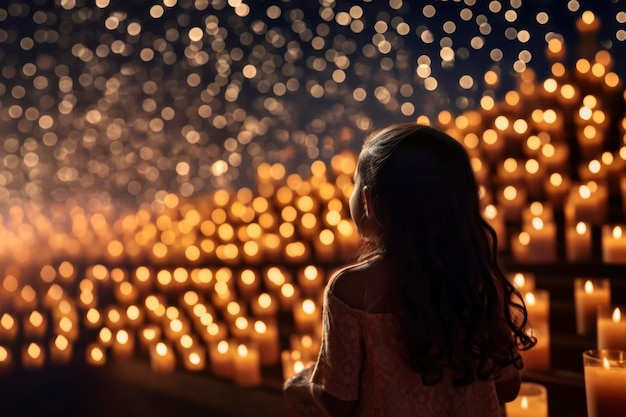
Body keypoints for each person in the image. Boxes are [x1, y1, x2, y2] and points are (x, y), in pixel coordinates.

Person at [285, 123, 536, 417]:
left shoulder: (350, 289)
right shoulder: (474, 279)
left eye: (354, 184)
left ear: (367, 201)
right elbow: (508, 388)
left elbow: (339, 403)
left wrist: (308, 382)